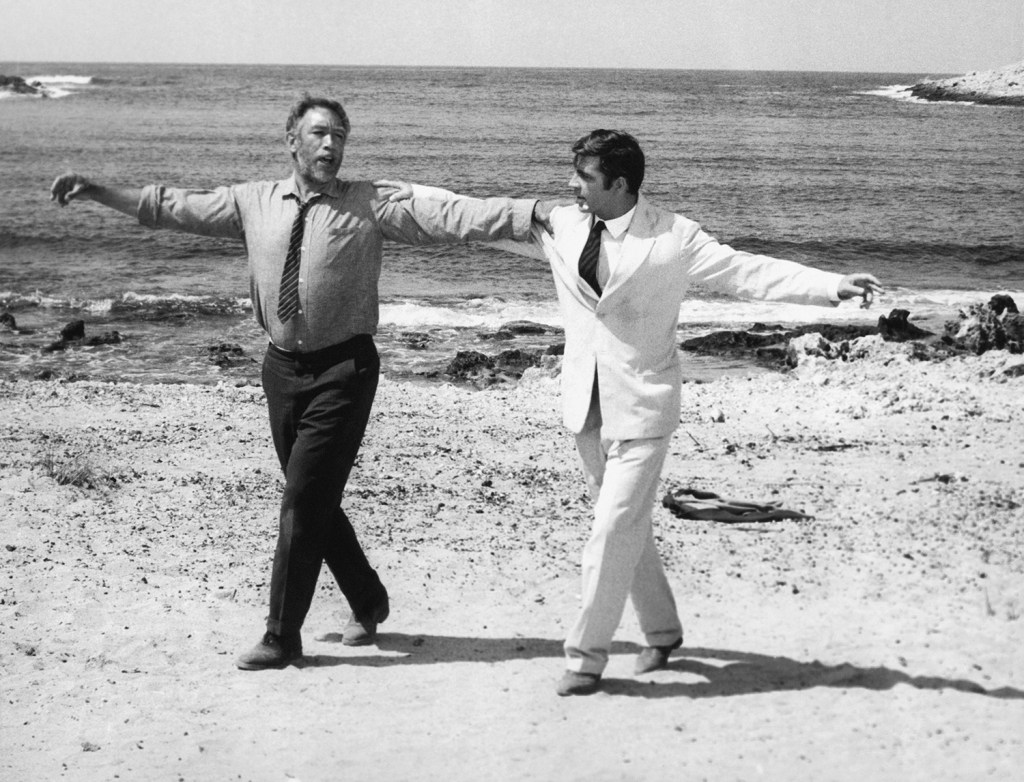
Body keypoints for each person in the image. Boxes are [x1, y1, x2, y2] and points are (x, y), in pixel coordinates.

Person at [49, 95, 537, 671]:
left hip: (344, 370)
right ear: (292, 141)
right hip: (280, 369)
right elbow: (172, 206)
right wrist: (98, 191)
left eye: (340, 136)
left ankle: (282, 635)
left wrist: (533, 214)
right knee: (314, 499)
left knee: (302, 499)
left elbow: (453, 218)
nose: (332, 145)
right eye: (320, 134)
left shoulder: (370, 203)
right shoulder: (252, 201)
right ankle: (367, 597)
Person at [404, 129, 882, 696]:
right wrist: (403, 196)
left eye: (584, 177)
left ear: (620, 184)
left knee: (611, 530)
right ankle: (663, 631)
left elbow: (747, 271)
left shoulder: (675, 236)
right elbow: (476, 218)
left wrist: (833, 285)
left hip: (645, 406)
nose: (572, 185)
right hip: (585, 406)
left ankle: (585, 659)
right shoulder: (563, 224)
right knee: (627, 527)